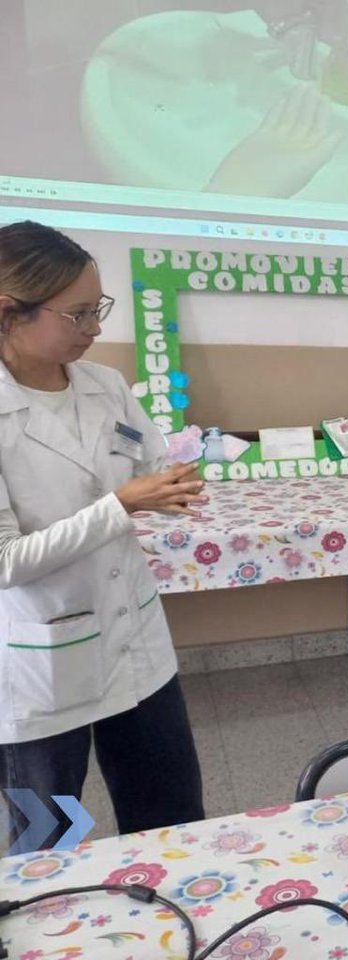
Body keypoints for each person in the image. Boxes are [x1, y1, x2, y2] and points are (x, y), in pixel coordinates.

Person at [0, 221, 207, 851]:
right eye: (79, 313)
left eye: (100, 308)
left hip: (136, 642)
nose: (96, 327)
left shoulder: (105, 385)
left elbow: (144, 466)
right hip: (44, 665)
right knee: (50, 838)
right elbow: (7, 561)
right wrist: (122, 505)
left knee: (170, 816)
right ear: (9, 313)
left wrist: (167, 486)